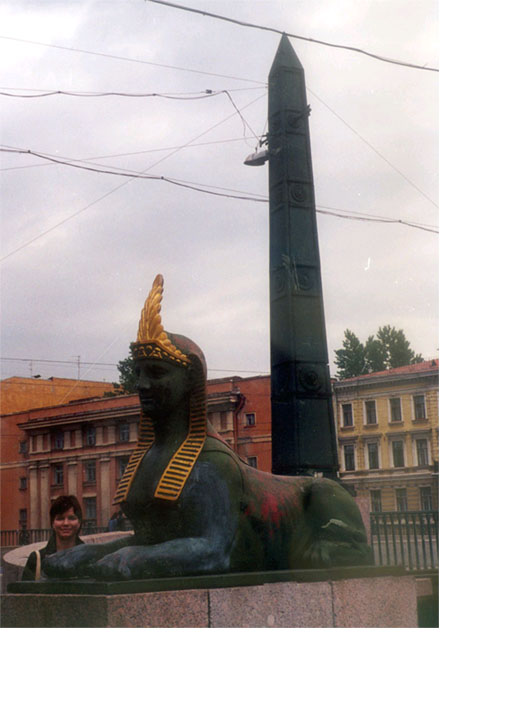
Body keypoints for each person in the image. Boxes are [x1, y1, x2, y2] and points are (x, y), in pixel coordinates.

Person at [44, 275, 371, 581]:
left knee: (323, 490)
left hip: (307, 512)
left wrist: (132, 558)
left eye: (156, 373)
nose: (141, 384)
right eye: (138, 373)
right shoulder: (150, 458)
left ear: (190, 378)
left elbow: (215, 552)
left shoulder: (213, 462)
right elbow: (152, 541)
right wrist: (90, 553)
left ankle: (343, 547)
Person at [21, 495, 84, 581]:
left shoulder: (91, 558)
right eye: (60, 518)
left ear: (79, 523)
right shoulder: (37, 559)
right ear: (52, 523)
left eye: (71, 518)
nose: (66, 523)